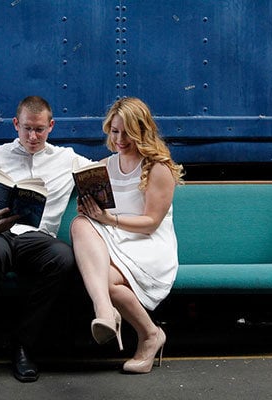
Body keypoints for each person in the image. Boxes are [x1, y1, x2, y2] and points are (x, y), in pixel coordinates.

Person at [0, 96, 90, 386]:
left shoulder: (68, 159)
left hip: (35, 239)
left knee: (63, 257)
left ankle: (23, 345)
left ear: (51, 126)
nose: (32, 136)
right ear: (16, 124)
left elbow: (102, 173)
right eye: (27, 128)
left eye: (40, 130)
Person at [71, 97, 184, 374]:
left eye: (127, 132)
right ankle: (110, 315)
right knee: (79, 223)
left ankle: (148, 334)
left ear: (141, 131)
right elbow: (100, 216)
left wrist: (109, 219)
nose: (120, 139)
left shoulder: (158, 167)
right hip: (118, 238)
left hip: (148, 243)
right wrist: (91, 210)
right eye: (115, 131)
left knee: (104, 281)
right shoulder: (105, 166)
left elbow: (151, 223)